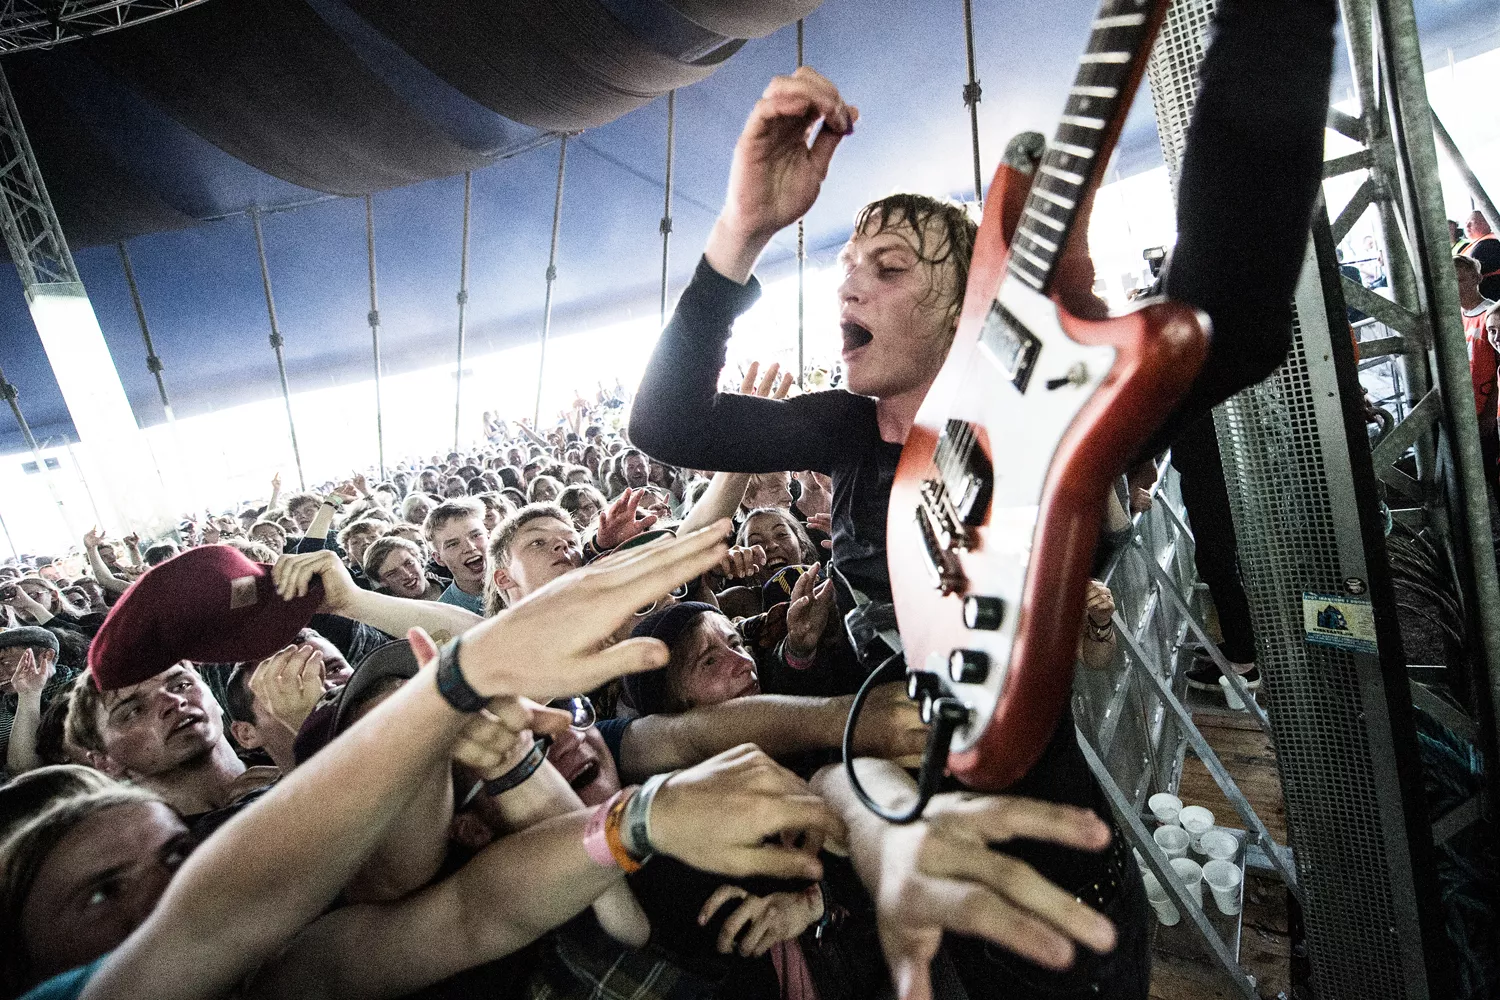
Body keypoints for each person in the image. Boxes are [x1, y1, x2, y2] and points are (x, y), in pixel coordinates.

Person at [630, 0, 1337, 990]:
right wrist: (743, 226)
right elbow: (666, 423)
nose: (848, 289)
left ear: (970, 294)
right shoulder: (842, 430)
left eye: (887, 267)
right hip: (892, 865)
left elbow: (1233, 315)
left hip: (1058, 877)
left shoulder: (1041, 418)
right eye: (843, 268)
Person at [63, 663, 277, 822]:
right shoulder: (166, 861)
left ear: (215, 699)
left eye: (181, 685)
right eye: (134, 711)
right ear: (104, 761)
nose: (174, 702)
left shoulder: (298, 748)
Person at [2, 628, 77, 776]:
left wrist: (29, 693)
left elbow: (23, 771)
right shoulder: (4, 702)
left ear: (46, 656)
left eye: (5, 662)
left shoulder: (76, 695)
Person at [1455, 255, 1498, 471]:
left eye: (1461, 280)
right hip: (1467, 409)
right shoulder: (1455, 317)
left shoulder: (1490, 315)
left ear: (1477, 278)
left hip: (1486, 410)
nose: (1456, 287)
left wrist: (1490, 412)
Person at [422, 500, 491, 614]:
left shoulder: (526, 583)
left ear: (489, 536)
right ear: (438, 558)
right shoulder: (442, 616)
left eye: (476, 535)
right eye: (453, 544)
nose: (469, 547)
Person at [1461, 210, 1500, 301]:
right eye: (1466, 222)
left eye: (1472, 222)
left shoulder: (1489, 244)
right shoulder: (1479, 243)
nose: (1467, 226)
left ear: (1487, 223)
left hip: (1491, 297)